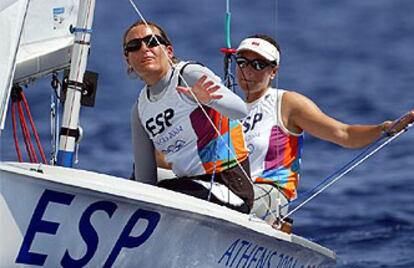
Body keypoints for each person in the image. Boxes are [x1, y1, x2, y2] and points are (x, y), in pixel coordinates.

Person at [234, 34, 414, 225]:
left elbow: (345, 134)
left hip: (269, 195)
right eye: (242, 62)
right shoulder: (228, 107)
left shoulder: (287, 103)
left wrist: (385, 129)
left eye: (258, 65)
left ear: (274, 72)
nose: (248, 71)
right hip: (234, 190)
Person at [124, 20, 254, 214]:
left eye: (152, 41)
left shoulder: (189, 74)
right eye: (134, 46)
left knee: (167, 192)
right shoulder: (139, 109)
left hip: (229, 188)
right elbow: (144, 178)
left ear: (168, 51)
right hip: (190, 185)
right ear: (128, 60)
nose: (144, 49)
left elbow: (240, 110)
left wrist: (210, 100)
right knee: (133, 187)